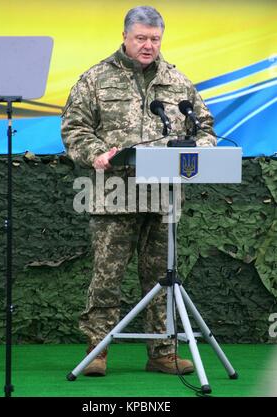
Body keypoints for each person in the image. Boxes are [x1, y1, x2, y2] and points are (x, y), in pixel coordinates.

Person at [61, 5, 216, 377]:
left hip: (164, 198)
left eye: (155, 39)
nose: (148, 46)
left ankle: (162, 351)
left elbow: (205, 126)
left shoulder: (177, 82)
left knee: (163, 275)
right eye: (141, 38)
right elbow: (74, 129)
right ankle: (97, 350)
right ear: (125, 37)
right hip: (115, 193)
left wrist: (204, 149)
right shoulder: (95, 79)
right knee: (107, 277)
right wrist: (96, 155)